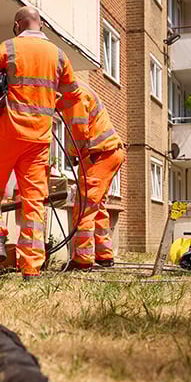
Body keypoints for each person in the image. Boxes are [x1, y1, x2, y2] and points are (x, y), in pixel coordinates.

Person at [0, 7, 83, 279]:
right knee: (34, 200)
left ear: (16, 25)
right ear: (41, 24)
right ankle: (31, 268)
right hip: (39, 138)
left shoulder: (8, 47)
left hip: (8, 132)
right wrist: (50, 100)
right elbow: (72, 97)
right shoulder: (59, 55)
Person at [56, 83, 125, 271]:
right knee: (97, 206)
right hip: (106, 153)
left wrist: (71, 152)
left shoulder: (78, 96)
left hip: (100, 154)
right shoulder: (76, 92)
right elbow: (62, 104)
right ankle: (104, 256)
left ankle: (82, 259)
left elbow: (79, 134)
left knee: (84, 206)